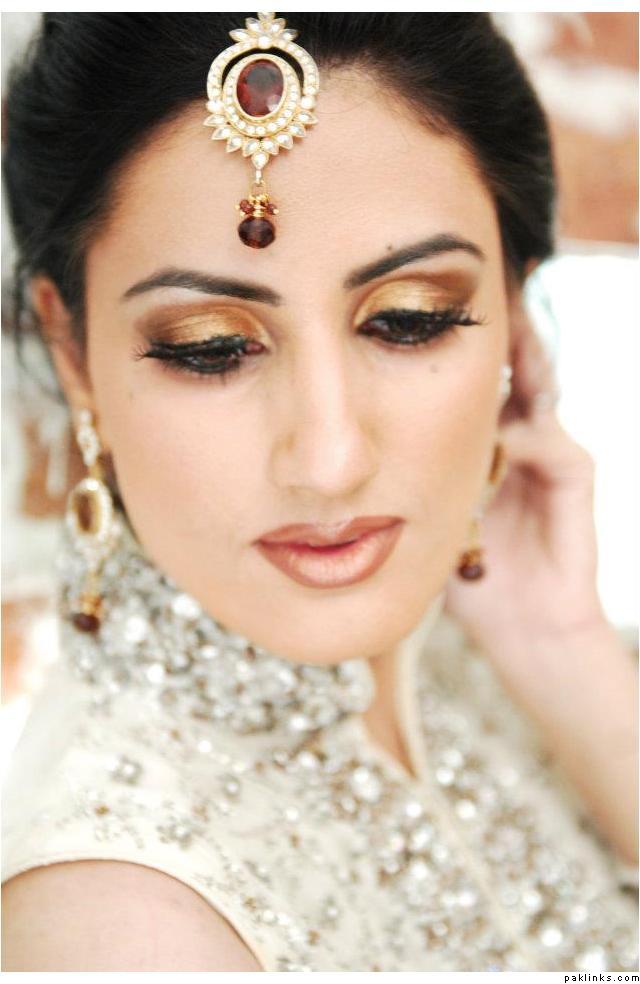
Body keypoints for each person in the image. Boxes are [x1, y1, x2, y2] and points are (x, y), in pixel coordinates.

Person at [1, 11, 637, 973]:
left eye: (410, 321)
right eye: (211, 348)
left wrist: (560, 647)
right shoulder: (122, 920)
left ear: (514, 319)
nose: (330, 460)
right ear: (73, 353)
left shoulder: (474, 655)